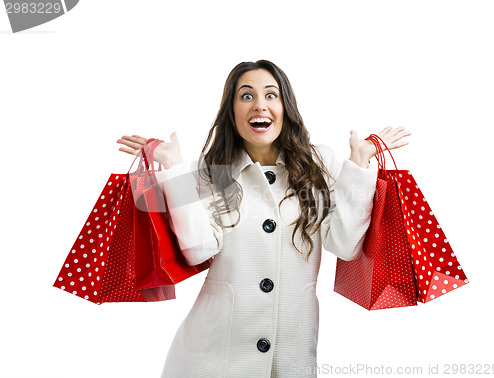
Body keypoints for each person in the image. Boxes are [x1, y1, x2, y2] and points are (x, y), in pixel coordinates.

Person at [117, 60, 410, 378]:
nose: (260, 105)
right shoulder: (208, 169)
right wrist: (173, 166)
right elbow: (198, 251)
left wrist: (359, 163)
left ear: (286, 106)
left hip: (291, 356)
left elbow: (345, 244)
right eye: (246, 96)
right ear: (232, 110)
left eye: (271, 95)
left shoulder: (319, 163)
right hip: (212, 357)